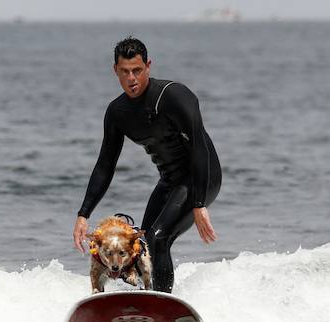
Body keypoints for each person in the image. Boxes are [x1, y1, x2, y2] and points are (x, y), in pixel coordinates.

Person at [72, 37, 221, 293]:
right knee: (141, 244)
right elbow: (105, 165)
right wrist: (83, 213)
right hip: (170, 180)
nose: (132, 78)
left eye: (137, 71)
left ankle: (161, 303)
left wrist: (199, 203)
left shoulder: (174, 96)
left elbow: (200, 148)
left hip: (201, 178)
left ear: (148, 67)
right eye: (125, 72)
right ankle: (146, 301)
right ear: (115, 70)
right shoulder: (117, 112)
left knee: (158, 237)